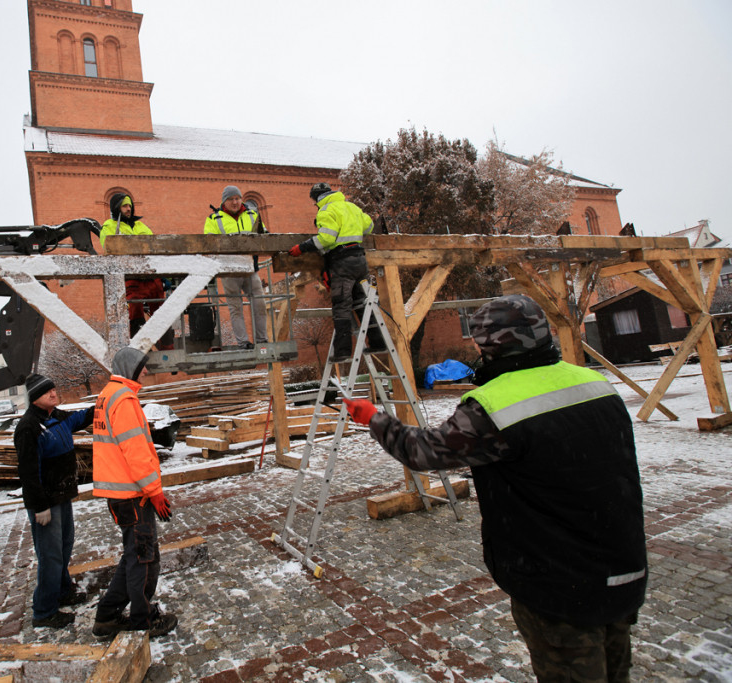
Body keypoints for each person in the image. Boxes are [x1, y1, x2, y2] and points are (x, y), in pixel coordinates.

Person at [343, 295, 647, 682]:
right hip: (622, 562)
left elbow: (422, 451)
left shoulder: (496, 406)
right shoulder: (591, 382)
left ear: (492, 344)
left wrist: (374, 417)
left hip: (558, 582)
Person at [90, 347, 178, 640]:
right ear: (130, 368)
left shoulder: (107, 395)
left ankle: (107, 615)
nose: (146, 372)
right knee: (143, 559)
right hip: (133, 495)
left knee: (134, 556)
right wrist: (154, 491)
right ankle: (142, 621)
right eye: (142, 367)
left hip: (122, 494)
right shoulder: (124, 400)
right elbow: (136, 451)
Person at [13, 373, 94, 629]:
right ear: (35, 398)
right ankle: (44, 610)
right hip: (46, 502)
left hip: (63, 495)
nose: (53, 393)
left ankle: (62, 590)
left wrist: (103, 404)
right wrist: (39, 506)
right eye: (47, 391)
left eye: (53, 389)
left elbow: (81, 418)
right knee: (50, 556)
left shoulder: (57, 418)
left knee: (64, 546)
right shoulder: (29, 427)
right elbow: (28, 472)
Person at [288, 182, 381, 362]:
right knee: (363, 303)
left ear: (317, 199)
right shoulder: (351, 206)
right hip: (360, 260)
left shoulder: (326, 211)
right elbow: (368, 226)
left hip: (342, 262)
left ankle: (343, 351)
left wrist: (303, 247)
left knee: (341, 305)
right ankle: (378, 342)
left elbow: (326, 239)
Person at [100, 192, 174, 350]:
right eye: (124, 206)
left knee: (161, 311)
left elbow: (156, 249)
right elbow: (108, 251)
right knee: (135, 310)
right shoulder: (109, 227)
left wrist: (163, 275)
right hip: (131, 278)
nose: (128, 209)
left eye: (129, 206)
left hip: (151, 276)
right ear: (116, 208)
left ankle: (167, 348)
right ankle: (140, 348)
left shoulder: (141, 226)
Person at [203, 185, 268, 349]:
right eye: (231, 199)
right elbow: (208, 242)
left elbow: (264, 235)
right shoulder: (214, 219)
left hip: (250, 267)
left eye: (237, 198)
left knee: (259, 302)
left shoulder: (253, 214)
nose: (235, 202)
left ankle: (262, 340)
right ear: (225, 201)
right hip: (229, 270)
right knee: (235, 307)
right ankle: (243, 342)